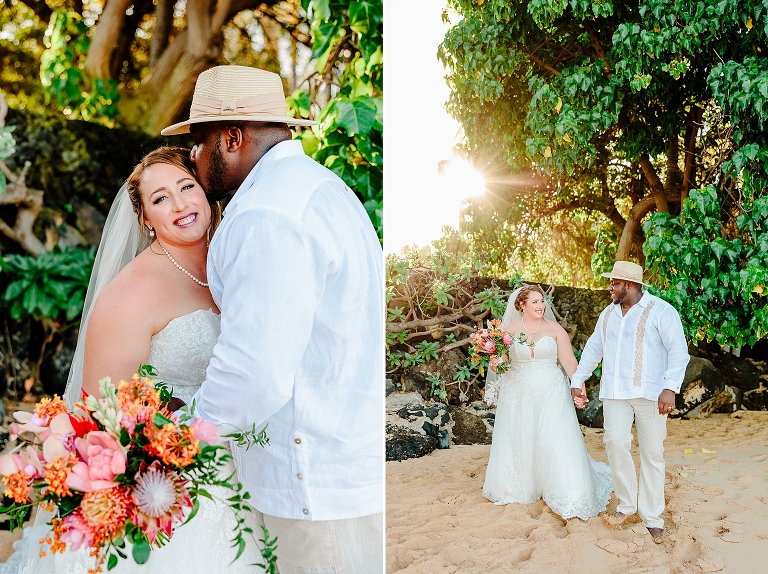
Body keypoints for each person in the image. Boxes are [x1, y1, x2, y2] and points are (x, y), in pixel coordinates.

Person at [160, 65, 384, 573]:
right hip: (341, 467)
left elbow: (253, 372)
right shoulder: (321, 188)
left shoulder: (268, 213)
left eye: (198, 143)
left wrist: (181, 445)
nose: (193, 159)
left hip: (309, 488)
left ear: (232, 137)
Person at [10, 147, 264, 574]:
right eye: (160, 198)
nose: (180, 204)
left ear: (206, 192)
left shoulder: (232, 260)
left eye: (187, 187)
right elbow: (100, 415)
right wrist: (173, 440)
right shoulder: (129, 295)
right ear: (145, 217)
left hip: (250, 462)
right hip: (171, 481)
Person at [570, 260, 689, 544]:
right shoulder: (607, 315)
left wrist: (670, 388)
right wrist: (577, 380)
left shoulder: (661, 311)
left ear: (631, 285)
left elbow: (678, 351)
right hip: (615, 393)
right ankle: (626, 505)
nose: (610, 287)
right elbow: (593, 349)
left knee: (652, 453)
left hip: (652, 394)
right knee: (615, 444)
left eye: (614, 283)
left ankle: (652, 517)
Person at [482, 285, 613, 520]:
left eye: (542, 301)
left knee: (555, 439)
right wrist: (493, 359)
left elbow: (570, 362)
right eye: (534, 302)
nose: (540, 305)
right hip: (518, 393)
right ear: (521, 305)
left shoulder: (555, 330)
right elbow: (500, 365)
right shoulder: (508, 331)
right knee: (520, 438)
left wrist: (578, 389)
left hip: (552, 391)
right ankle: (521, 486)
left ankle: (566, 489)